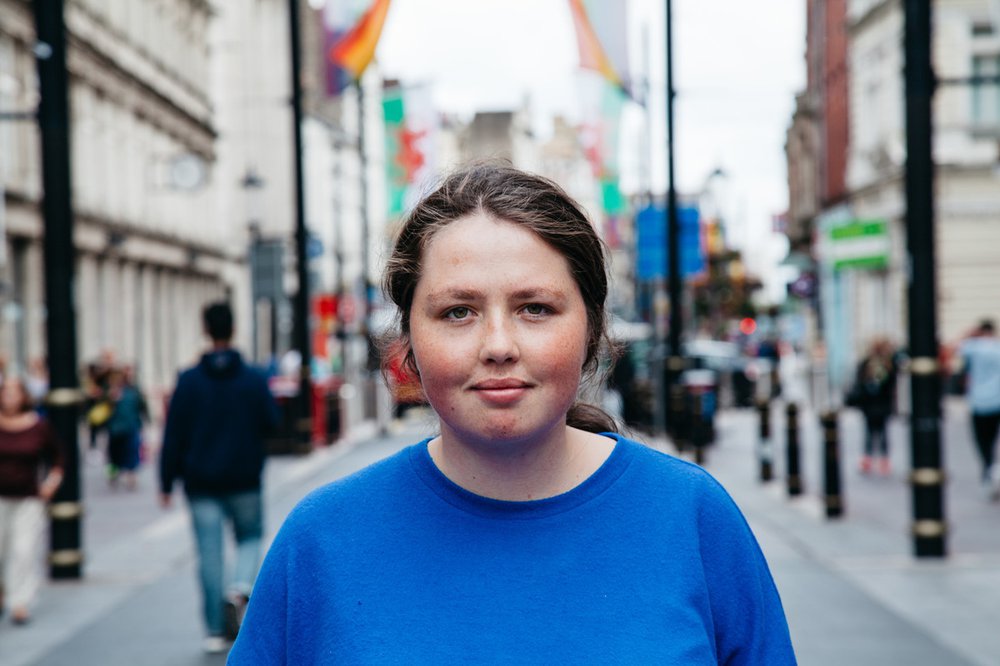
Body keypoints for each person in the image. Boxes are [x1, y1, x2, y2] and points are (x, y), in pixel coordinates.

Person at [229, 164, 796, 663]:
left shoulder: (692, 518)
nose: (498, 345)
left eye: (535, 308)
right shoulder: (323, 539)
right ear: (408, 340)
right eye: (457, 312)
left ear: (593, 329)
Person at [159, 302, 279, 653]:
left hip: (200, 483)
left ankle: (214, 630)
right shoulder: (254, 378)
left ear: (206, 330)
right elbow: (272, 422)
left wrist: (166, 482)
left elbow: (174, 434)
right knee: (251, 537)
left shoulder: (189, 380)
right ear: (234, 328)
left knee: (209, 555)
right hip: (244, 478)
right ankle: (240, 585)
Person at [0, 376, 64, 625]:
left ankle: (20, 601)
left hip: (28, 498)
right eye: (5, 392)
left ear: (24, 396)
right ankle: (4, 589)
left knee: (24, 549)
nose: (9, 397)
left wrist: (51, 483)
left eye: (14, 392)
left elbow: (58, 456)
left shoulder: (38, 426)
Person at [959, 318, 1000, 500]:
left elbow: (955, 347)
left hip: (979, 402)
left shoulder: (972, 347)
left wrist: (970, 333)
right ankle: (993, 471)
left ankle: (988, 471)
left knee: (983, 442)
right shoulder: (998, 347)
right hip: (997, 401)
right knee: (994, 438)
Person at [850, 337, 899, 476]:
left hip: (870, 405)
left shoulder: (869, 363)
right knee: (882, 432)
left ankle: (869, 459)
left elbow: (859, 382)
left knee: (870, 432)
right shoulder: (887, 364)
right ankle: (882, 460)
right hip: (881, 405)